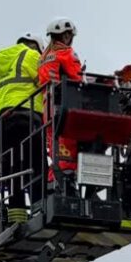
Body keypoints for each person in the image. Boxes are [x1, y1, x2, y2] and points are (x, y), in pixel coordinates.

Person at [0, 33, 46, 223]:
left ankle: (16, 212)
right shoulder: (32, 56)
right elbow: (46, 82)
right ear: (36, 46)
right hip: (29, 116)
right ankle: (39, 207)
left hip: (4, 122)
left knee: (13, 167)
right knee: (37, 163)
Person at [38, 18, 84, 180]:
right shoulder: (66, 53)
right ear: (64, 36)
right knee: (68, 147)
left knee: (55, 149)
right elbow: (77, 78)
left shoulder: (45, 56)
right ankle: (66, 179)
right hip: (64, 104)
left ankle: (53, 179)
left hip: (47, 107)